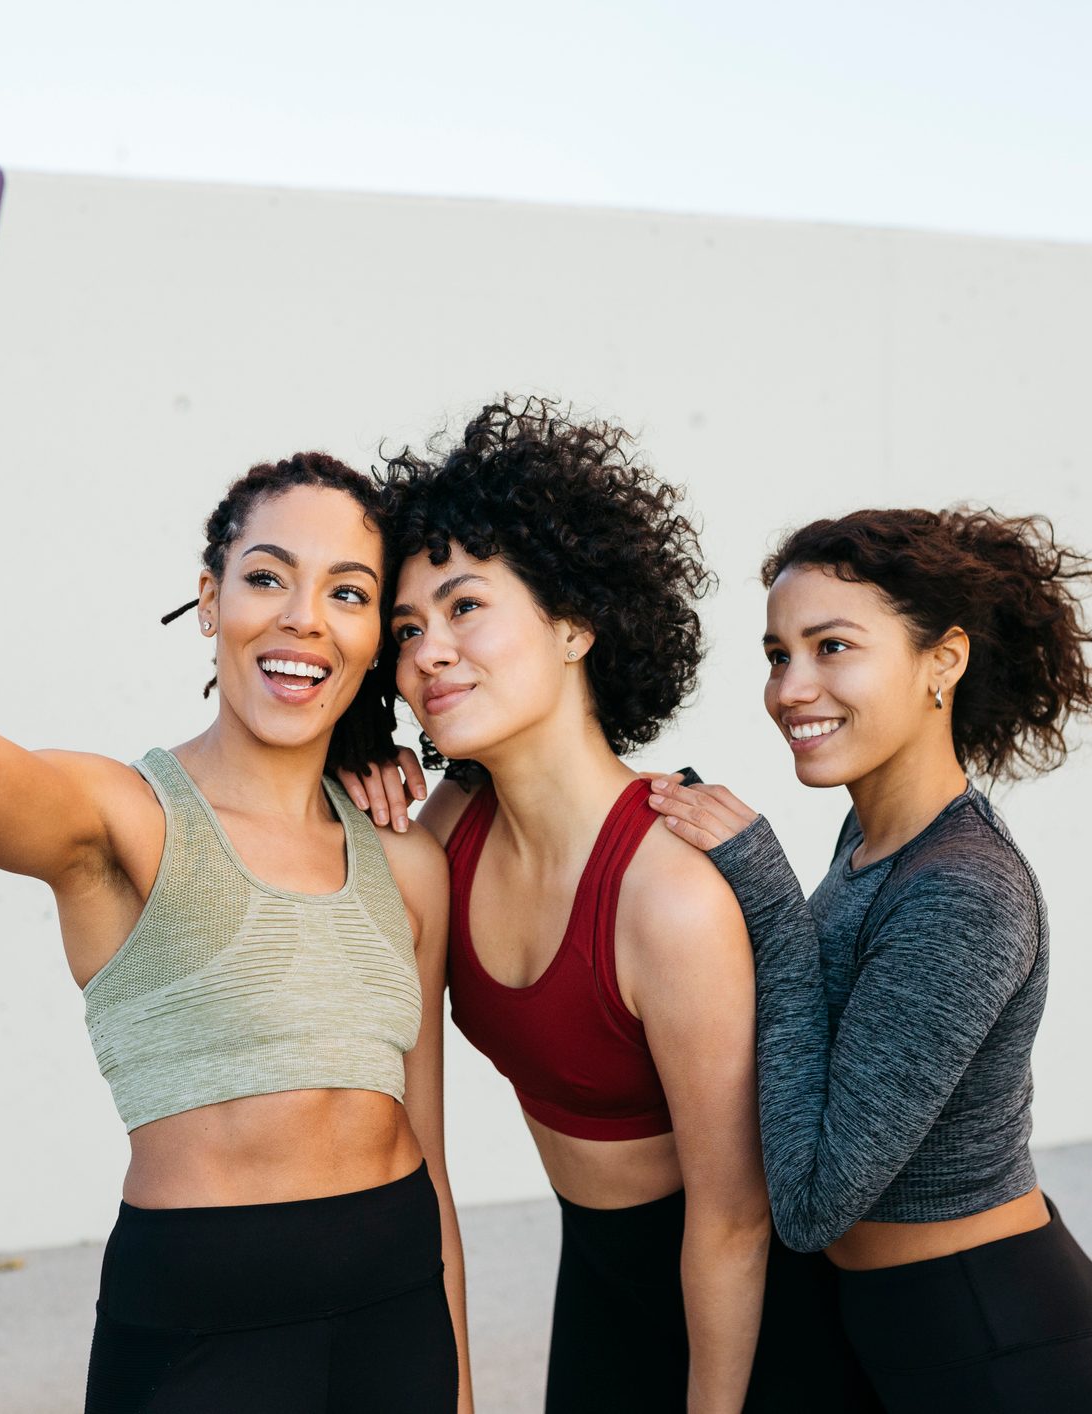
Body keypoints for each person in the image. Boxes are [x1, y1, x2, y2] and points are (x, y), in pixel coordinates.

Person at [0, 186, 471, 1414]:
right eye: (266, 577)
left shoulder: (405, 860)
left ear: (377, 637)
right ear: (209, 601)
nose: (302, 620)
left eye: (347, 592)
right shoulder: (122, 821)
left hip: (394, 1318)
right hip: (205, 1330)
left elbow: (428, 1161)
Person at [345, 398, 875, 1413]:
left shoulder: (666, 892)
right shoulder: (447, 833)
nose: (427, 652)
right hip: (593, 1284)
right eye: (406, 628)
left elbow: (734, 1219)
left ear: (576, 622)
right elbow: (423, 1171)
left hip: (746, 1319)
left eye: (465, 608)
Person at [646, 507, 1092, 1412]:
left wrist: (764, 896)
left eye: (831, 647)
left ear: (944, 660)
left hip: (998, 1346)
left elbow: (813, 1202)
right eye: (777, 655)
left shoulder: (965, 890)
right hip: (897, 1330)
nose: (790, 688)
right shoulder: (871, 840)